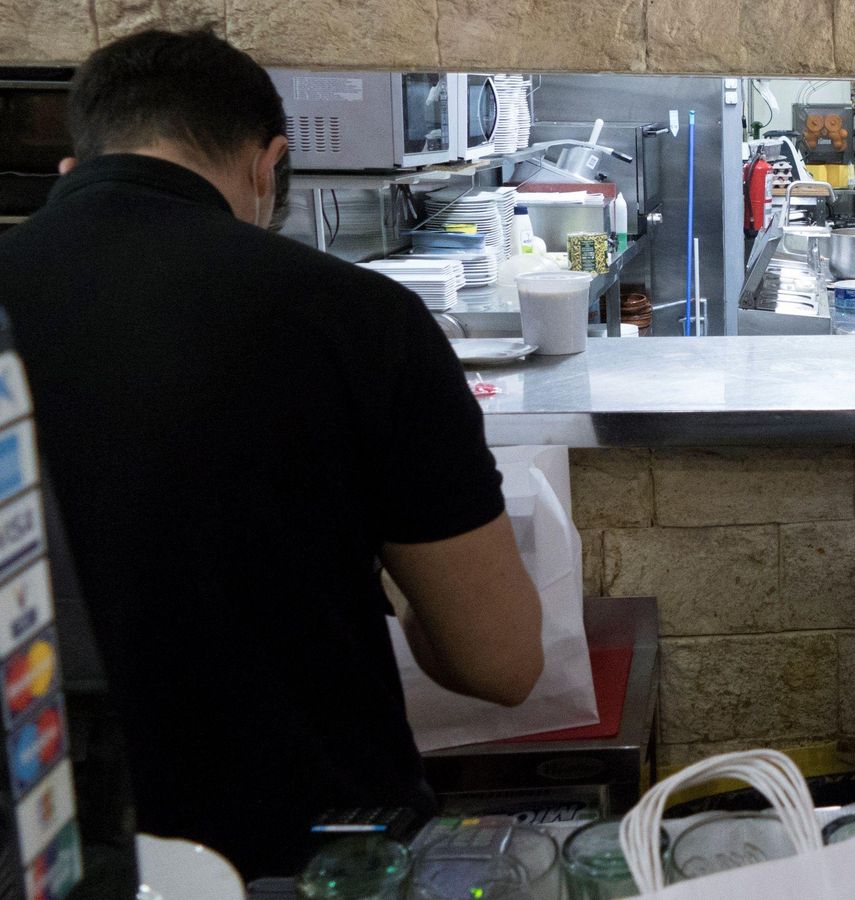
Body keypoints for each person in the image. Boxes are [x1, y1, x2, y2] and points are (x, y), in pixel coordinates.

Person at [0, 29, 544, 878]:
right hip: (309, 854)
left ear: (73, 169)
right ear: (268, 165)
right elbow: (500, 662)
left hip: (41, 857)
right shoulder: (359, 319)